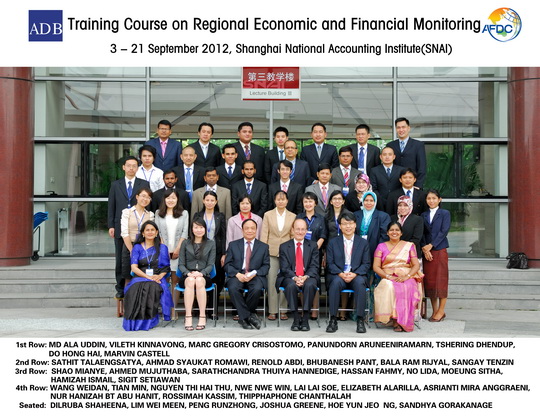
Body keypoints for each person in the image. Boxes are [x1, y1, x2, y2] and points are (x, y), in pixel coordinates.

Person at [107, 156, 150, 299]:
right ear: (123, 167)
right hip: (120, 226)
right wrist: (111, 225)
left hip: (139, 227)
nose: (131, 168)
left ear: (138, 168)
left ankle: (138, 285)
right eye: (129, 165)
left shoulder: (144, 183)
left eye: (134, 166)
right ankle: (120, 288)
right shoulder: (116, 184)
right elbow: (111, 205)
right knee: (121, 259)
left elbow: (147, 203)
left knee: (141, 257)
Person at [372, 221, 424, 332]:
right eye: (391, 230)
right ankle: (395, 319)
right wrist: (387, 276)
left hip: (406, 276)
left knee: (407, 286)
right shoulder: (381, 246)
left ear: (401, 233)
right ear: (387, 233)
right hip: (388, 276)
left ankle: (402, 320)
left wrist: (407, 276)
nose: (394, 232)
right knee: (389, 286)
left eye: (397, 230)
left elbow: (416, 265)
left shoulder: (409, 246)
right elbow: (376, 267)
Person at [325, 212, 371, 334]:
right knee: (335, 283)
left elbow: (366, 264)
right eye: (345, 224)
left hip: (356, 275)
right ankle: (333, 319)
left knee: (360, 283)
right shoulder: (333, 242)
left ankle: (360, 320)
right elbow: (330, 263)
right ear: (340, 226)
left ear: (355, 225)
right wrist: (340, 274)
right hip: (339, 275)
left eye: (350, 223)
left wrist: (354, 274)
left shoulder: (363, 243)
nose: (348, 226)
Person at [123, 220, 172, 331]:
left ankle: (148, 321)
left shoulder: (162, 248)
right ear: (143, 233)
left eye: (152, 230)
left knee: (152, 287)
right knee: (134, 288)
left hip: (157, 277)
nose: (150, 232)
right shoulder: (137, 247)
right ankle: (133, 321)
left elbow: (166, 267)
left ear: (156, 232)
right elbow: (134, 268)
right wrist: (148, 277)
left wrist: (159, 276)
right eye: (147, 230)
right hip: (140, 276)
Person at [225, 219, 270, 329]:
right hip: (238, 274)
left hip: (255, 275)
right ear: (242, 230)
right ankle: (249, 316)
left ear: (256, 230)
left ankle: (243, 317)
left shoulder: (263, 246)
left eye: (252, 228)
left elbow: (266, 266)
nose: (250, 231)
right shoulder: (233, 245)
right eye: (247, 228)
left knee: (257, 288)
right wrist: (237, 274)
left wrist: (254, 273)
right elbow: (227, 265)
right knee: (233, 287)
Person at [277, 219, 320, 331]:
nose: (300, 232)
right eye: (297, 229)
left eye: (303, 229)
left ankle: (305, 318)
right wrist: (295, 278)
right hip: (290, 276)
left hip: (308, 276)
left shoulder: (313, 245)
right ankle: (296, 318)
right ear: (292, 230)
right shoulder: (284, 246)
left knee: (310, 285)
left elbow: (315, 266)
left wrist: (304, 277)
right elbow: (284, 268)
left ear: (306, 231)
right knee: (290, 285)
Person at [260, 190, 296, 321]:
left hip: (287, 253)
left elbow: (293, 235)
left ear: (287, 201)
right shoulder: (268, 215)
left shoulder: (293, 216)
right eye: (278, 199)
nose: (281, 201)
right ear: (275, 201)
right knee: (272, 280)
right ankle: (272, 310)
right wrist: (263, 252)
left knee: (286, 279)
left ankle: (283, 309)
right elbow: (264, 234)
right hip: (271, 251)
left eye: (283, 199)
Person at [154, 189, 189, 320]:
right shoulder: (158, 213)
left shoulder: (184, 213)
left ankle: (174, 310)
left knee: (175, 281)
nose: (171, 200)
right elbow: (158, 233)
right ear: (164, 199)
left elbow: (185, 232)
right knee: (164, 280)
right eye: (168, 198)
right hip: (162, 252)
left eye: (173, 198)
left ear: (177, 199)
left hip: (178, 251)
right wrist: (164, 250)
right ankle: (165, 309)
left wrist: (178, 249)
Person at [178, 218, 216, 331]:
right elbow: (181, 264)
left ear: (205, 229)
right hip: (187, 275)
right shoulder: (185, 243)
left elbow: (211, 264)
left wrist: (201, 273)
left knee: (199, 281)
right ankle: (188, 316)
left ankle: (202, 316)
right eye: (196, 227)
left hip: (204, 275)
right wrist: (188, 273)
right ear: (192, 229)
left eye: (201, 227)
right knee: (190, 281)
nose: (199, 230)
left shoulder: (211, 243)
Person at [421, 189, 451, 322]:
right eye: (429, 198)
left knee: (441, 281)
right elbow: (421, 232)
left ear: (439, 199)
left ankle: (441, 310)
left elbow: (444, 231)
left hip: (439, 249)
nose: (431, 201)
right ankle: (434, 310)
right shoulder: (423, 215)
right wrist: (425, 249)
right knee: (430, 281)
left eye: (434, 198)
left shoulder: (445, 213)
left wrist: (431, 245)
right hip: (427, 252)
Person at [192, 191, 226, 295]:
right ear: (203, 201)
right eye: (207, 200)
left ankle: (214, 302)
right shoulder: (198, 215)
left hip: (216, 251)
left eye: (212, 200)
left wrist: (224, 253)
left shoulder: (220, 216)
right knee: (201, 277)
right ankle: (201, 303)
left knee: (216, 277)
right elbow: (192, 233)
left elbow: (223, 235)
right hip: (200, 251)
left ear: (216, 202)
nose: (209, 202)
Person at [387, 117, 427, 188]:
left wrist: (417, 185)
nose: (401, 130)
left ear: (408, 128)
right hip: (395, 186)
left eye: (403, 127)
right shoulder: (390, 145)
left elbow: (422, 167)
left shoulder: (418, 145)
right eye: (398, 127)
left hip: (413, 186)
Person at [354, 192, 390, 259]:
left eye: (371, 201)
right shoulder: (355, 215)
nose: (368, 203)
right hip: (357, 249)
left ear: (375, 202)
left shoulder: (383, 216)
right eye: (366, 200)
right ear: (363, 201)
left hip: (375, 250)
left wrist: (378, 250)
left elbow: (384, 236)